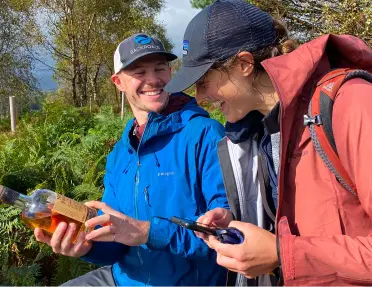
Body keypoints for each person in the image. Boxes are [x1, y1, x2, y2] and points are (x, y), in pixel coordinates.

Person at [165, 0, 372, 285]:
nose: (199, 98)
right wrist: (239, 222)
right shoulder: (260, 133)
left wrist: (282, 254)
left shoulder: (352, 105)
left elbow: (289, 250)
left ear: (244, 64)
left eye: (203, 80)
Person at [34, 33, 229, 286]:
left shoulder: (204, 134)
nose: (153, 80)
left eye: (160, 68)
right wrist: (85, 248)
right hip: (120, 279)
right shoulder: (120, 154)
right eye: (139, 72)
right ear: (118, 82)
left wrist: (147, 232)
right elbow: (116, 243)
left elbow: (226, 236)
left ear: (170, 72)